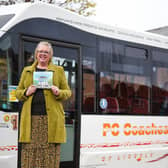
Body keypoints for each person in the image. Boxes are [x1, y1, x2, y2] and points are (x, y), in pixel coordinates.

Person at [16, 41, 71, 168]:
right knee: (30, 156)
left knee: (49, 156)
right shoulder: (27, 71)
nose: (43, 54)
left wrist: (58, 92)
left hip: (51, 121)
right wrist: (26, 91)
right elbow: (17, 93)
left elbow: (68, 92)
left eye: (46, 52)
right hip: (31, 121)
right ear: (36, 54)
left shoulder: (58, 70)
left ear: (50, 55)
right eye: (40, 51)